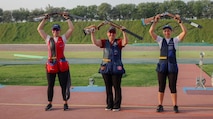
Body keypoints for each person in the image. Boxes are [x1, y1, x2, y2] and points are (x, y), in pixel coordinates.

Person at [149, 14, 187, 113]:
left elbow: (184, 32)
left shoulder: (175, 40)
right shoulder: (160, 40)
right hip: (162, 67)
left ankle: (175, 105)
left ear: (171, 31)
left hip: (172, 67)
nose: (167, 32)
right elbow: (151, 31)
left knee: (172, 86)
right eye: (165, 31)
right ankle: (160, 105)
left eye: (168, 30)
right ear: (163, 32)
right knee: (161, 86)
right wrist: (155, 21)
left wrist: (179, 21)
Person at [37, 13, 74, 111]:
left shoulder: (63, 38)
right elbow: (39, 29)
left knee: (63, 85)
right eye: (54, 30)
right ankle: (49, 103)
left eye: (57, 30)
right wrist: (45, 19)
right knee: (50, 85)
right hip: (51, 65)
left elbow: (71, 29)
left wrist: (67, 18)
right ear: (52, 31)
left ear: (59, 31)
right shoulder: (48, 39)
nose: (56, 31)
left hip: (62, 65)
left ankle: (65, 103)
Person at [90, 26, 128, 111]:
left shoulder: (118, 42)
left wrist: (124, 32)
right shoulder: (104, 42)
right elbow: (95, 42)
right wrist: (92, 33)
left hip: (116, 68)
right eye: (110, 33)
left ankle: (117, 105)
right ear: (107, 34)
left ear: (115, 34)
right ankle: (109, 104)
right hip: (106, 67)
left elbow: (125, 42)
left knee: (117, 87)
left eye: (113, 33)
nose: (111, 34)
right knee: (108, 87)